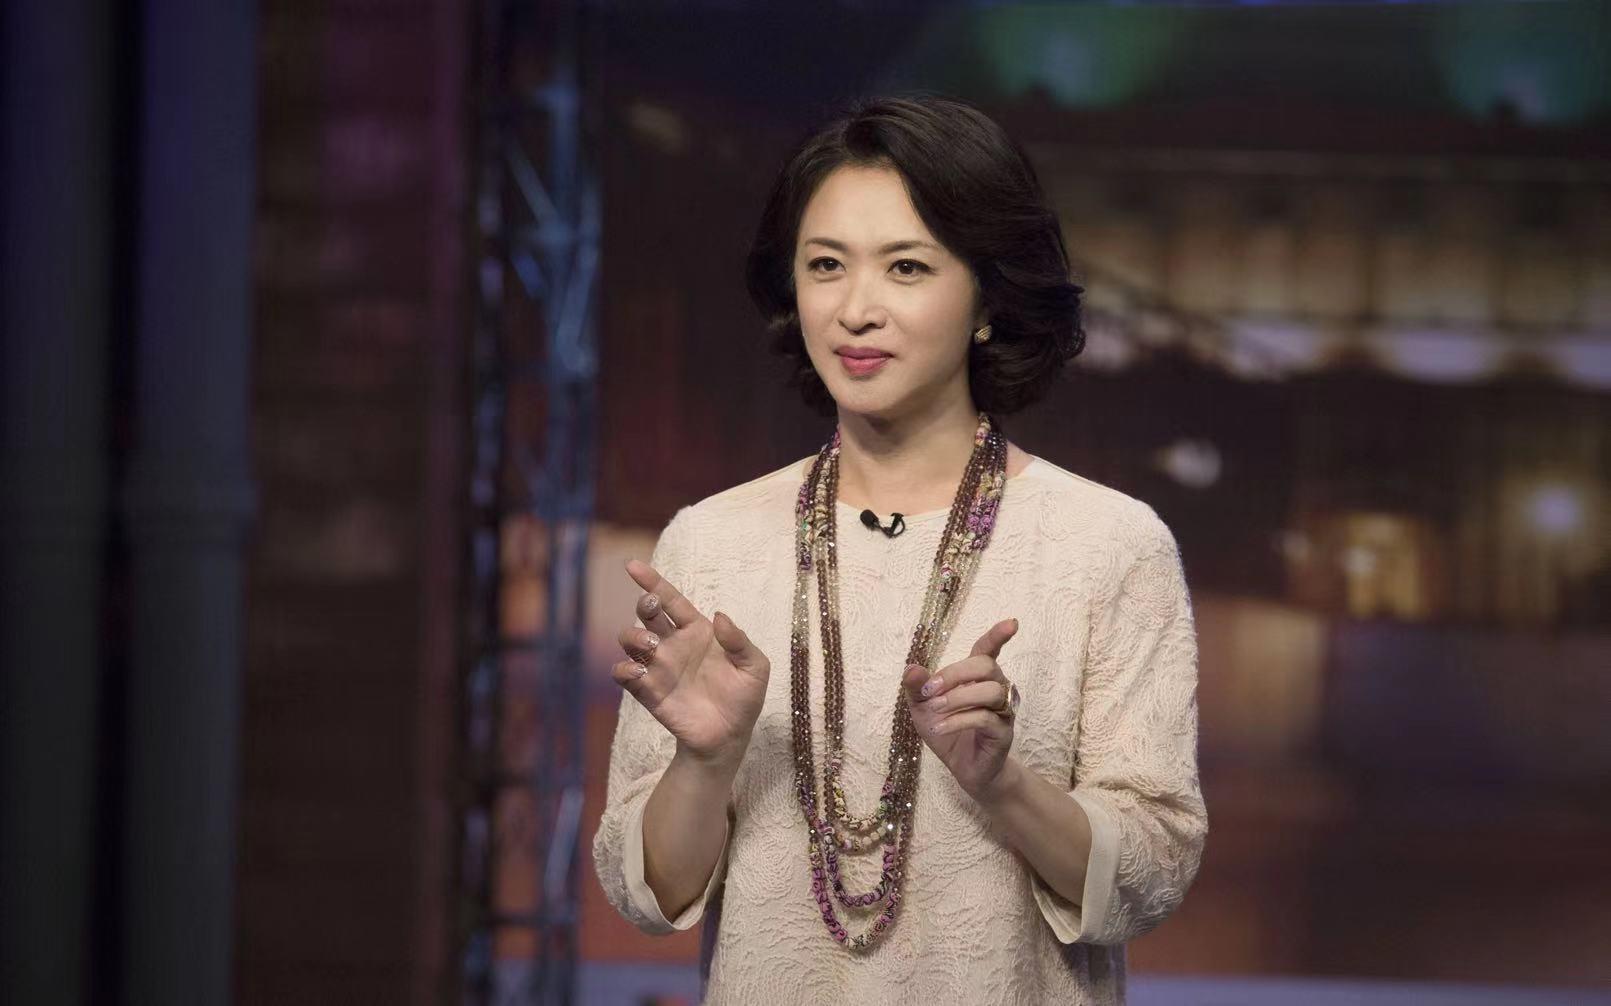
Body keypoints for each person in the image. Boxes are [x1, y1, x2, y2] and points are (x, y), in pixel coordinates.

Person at [593, 93, 1206, 1004]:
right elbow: (646, 897)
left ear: (987, 297)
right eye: (825, 265)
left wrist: (1003, 784)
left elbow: (1152, 875)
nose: (855, 309)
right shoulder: (711, 540)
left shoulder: (1107, 545)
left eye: (906, 267)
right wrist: (707, 760)